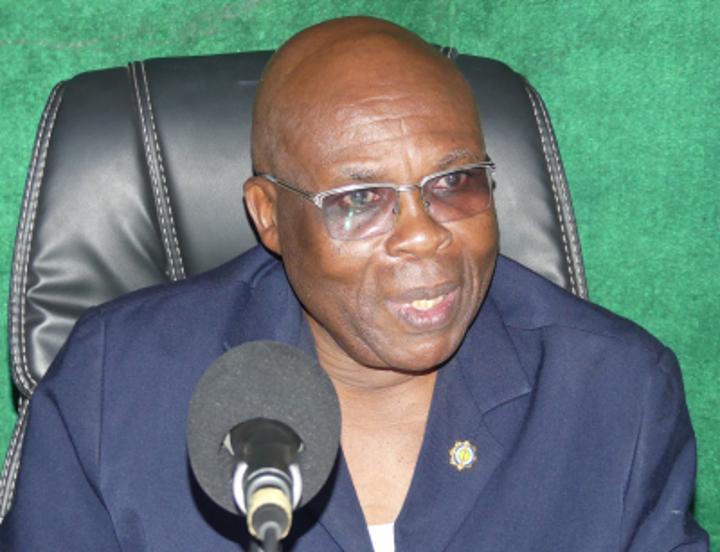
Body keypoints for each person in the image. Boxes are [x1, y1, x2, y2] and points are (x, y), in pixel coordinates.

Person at [0, 16, 708, 552]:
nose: (423, 235)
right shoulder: (114, 383)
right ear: (269, 216)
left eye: (454, 182)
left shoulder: (616, 395)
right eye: (360, 199)